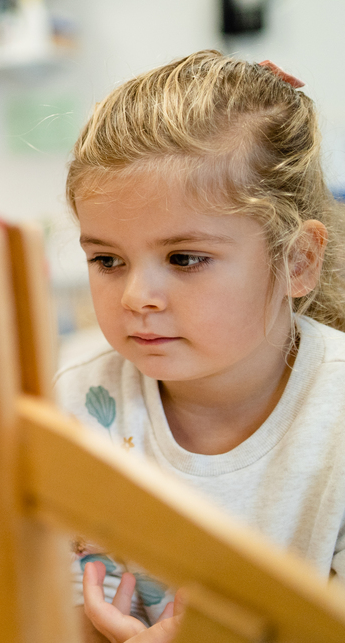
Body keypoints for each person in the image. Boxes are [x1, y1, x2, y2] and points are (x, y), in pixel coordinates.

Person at [56, 51, 345, 643]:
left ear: (299, 261)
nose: (137, 296)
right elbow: (51, 607)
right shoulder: (80, 401)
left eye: (185, 258)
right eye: (107, 260)